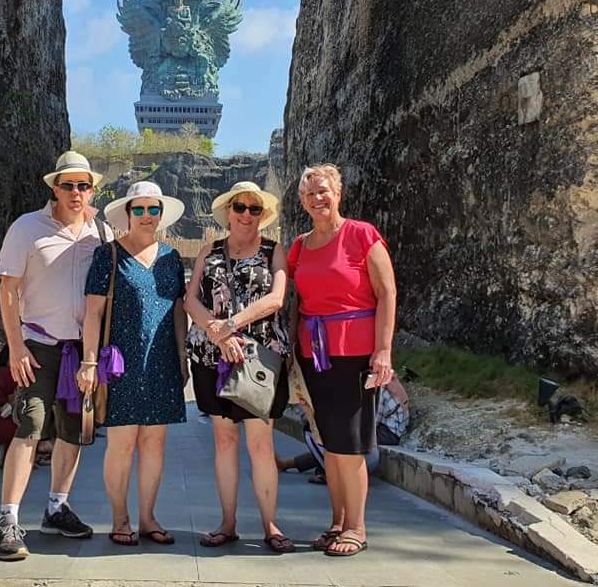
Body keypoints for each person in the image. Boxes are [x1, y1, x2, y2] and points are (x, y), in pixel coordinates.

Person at [0, 150, 113, 561]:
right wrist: (16, 345)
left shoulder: (103, 233)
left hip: (82, 350)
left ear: (92, 189)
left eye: (83, 185)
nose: (76, 192)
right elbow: (7, 290)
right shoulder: (27, 228)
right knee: (30, 426)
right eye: (68, 185)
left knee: (74, 431)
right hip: (38, 344)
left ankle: (57, 507)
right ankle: (7, 519)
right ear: (54, 188)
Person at [288, 164, 397, 557]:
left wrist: (383, 350)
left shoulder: (362, 235)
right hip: (314, 355)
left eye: (324, 191)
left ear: (338, 193)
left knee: (350, 446)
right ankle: (336, 523)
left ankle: (357, 527)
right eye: (310, 194)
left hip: (355, 353)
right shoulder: (300, 246)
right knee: (329, 444)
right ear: (302, 202)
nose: (318, 199)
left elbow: (387, 293)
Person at [184, 180, 295, 554]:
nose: (247, 214)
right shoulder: (208, 251)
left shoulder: (273, 251)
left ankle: (271, 524)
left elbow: (277, 298)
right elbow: (190, 301)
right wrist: (217, 334)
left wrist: (232, 325)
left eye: (254, 209)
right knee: (224, 440)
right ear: (228, 212)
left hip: (259, 357)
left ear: (262, 215)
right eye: (240, 208)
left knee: (261, 444)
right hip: (213, 356)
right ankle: (227, 522)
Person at [78, 181, 189, 547]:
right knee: (122, 444)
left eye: (152, 209)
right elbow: (92, 314)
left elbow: (177, 312)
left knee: (155, 444)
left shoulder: (172, 258)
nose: (146, 216)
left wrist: (182, 355)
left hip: (162, 362)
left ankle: (148, 518)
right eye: (138, 209)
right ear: (127, 214)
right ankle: (119, 518)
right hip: (120, 364)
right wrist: (89, 363)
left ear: (161, 214)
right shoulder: (107, 255)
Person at [276, 376, 410, 480]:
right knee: (338, 443)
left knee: (339, 443)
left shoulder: (372, 382)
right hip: (387, 426)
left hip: (388, 430)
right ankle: (291, 464)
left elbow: (370, 419)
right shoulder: (376, 376)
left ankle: (330, 473)